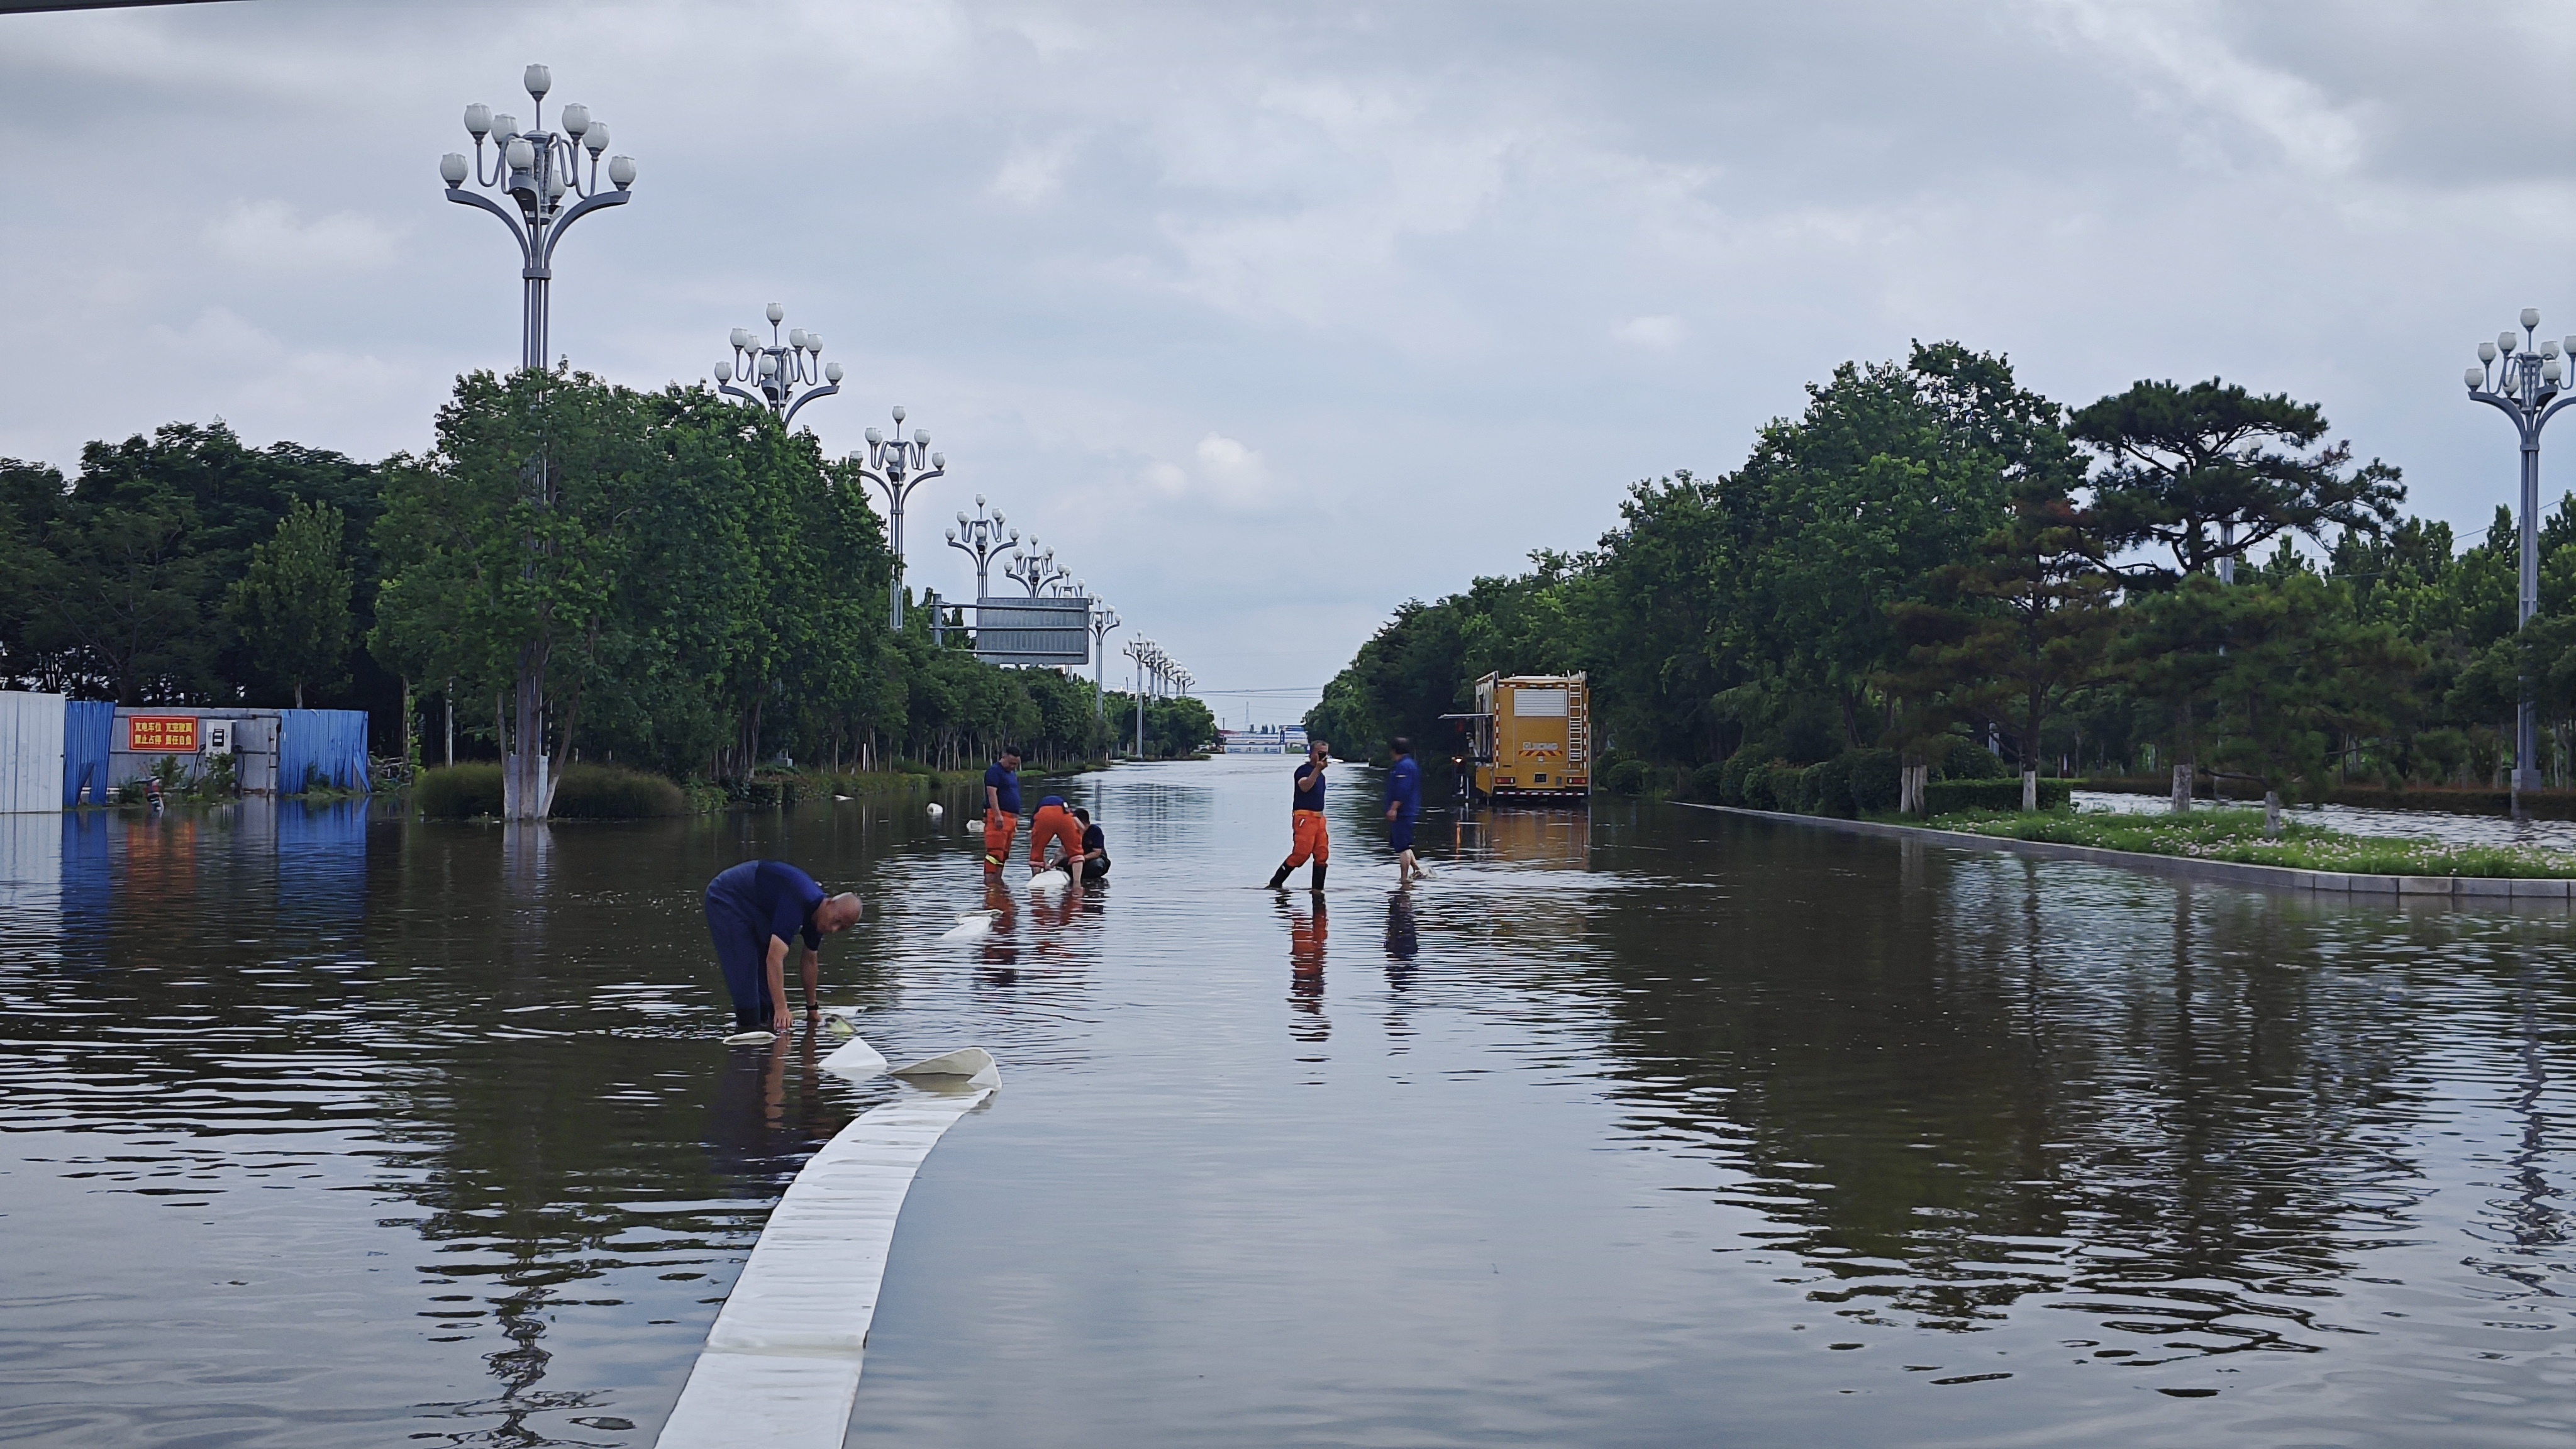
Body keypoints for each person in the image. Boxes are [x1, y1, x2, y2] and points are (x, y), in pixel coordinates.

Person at [702, 860, 863, 1036]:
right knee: (746, 981)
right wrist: (782, 1008)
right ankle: (746, 1045)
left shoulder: (819, 919)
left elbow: (810, 962)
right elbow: (774, 958)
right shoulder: (799, 899)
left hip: (758, 908)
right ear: (829, 903)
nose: (833, 929)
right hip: (727, 897)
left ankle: (766, 1051)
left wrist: (812, 1010)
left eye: (842, 928)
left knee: (768, 1003)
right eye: (836, 921)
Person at [1266, 737, 1331, 891]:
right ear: (1311, 754)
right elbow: (1305, 786)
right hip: (1304, 817)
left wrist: (1319, 771)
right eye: (1320, 754)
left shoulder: (1321, 776)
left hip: (1319, 818)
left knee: (1322, 854)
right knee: (1301, 854)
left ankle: (1317, 890)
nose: (1323, 757)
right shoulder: (1304, 771)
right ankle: (1276, 883)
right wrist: (1317, 770)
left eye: (1325, 754)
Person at [1384, 735, 1423, 882]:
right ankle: (1417, 870)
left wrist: (1394, 808)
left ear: (1394, 750)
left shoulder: (1403, 767)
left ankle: (1404, 878)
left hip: (1403, 812)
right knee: (1403, 843)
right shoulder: (1409, 764)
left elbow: (1403, 790)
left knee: (1402, 846)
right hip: (1407, 810)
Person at [982, 747, 1023, 872]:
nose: (1013, 766)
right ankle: (990, 884)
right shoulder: (994, 771)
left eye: (1015, 764)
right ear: (1004, 756)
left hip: (1011, 819)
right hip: (999, 818)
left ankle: (998, 886)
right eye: (1011, 763)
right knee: (995, 853)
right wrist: (997, 815)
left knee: (1004, 854)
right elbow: (992, 794)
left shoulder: (1012, 774)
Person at [1028, 794, 1087, 876]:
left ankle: (1036, 879)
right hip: (1064, 813)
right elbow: (1082, 828)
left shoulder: (1038, 809)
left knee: (1037, 851)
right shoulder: (1068, 809)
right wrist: (1076, 842)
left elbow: (1033, 836)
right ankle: (1077, 885)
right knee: (1076, 853)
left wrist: (1044, 863)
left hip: (1044, 814)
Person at [1074, 806, 1110, 881]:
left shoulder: (1095, 831)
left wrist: (1080, 859)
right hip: (1077, 857)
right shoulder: (1073, 832)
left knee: (1096, 865)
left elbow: (1097, 853)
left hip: (1094, 859)